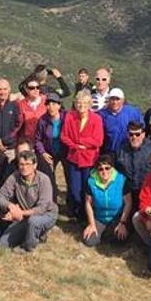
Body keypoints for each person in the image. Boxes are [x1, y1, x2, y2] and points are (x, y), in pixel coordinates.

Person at [0, 150, 59, 252]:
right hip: (26, 216)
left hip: (47, 214)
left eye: (28, 164)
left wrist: (21, 213)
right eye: (21, 164)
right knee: (3, 244)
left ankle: (28, 247)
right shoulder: (14, 177)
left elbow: (42, 207)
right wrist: (11, 207)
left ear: (35, 165)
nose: (24, 167)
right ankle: (36, 234)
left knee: (33, 222)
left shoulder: (43, 179)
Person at [60, 91, 104, 219]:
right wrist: (76, 146)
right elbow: (64, 136)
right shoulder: (70, 116)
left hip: (90, 160)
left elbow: (98, 140)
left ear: (90, 104)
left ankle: (86, 216)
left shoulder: (96, 119)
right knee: (74, 189)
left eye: (85, 102)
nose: (82, 105)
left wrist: (80, 141)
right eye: (79, 102)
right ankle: (79, 212)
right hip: (74, 158)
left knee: (88, 189)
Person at [82, 154, 133, 247]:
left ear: (112, 168)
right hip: (99, 218)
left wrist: (123, 223)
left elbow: (128, 203)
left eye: (107, 168)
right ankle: (103, 232)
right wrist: (91, 224)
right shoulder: (90, 182)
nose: (104, 171)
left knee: (120, 239)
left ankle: (109, 233)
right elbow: (88, 203)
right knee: (89, 241)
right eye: (100, 169)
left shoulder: (122, 180)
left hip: (117, 218)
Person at [113, 121, 151, 212]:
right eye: (131, 134)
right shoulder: (121, 151)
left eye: (137, 134)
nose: (134, 137)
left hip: (146, 193)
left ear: (143, 135)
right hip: (127, 193)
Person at [34, 92, 67, 201]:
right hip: (50, 152)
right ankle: (51, 202)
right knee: (48, 178)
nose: (51, 107)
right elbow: (38, 139)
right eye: (48, 104)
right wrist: (43, 152)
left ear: (59, 105)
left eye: (54, 104)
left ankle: (72, 207)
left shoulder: (67, 117)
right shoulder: (43, 120)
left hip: (65, 152)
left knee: (70, 178)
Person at [98, 87, 144, 154]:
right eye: (112, 99)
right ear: (108, 100)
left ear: (123, 100)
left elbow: (142, 130)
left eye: (117, 99)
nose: (114, 102)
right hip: (111, 152)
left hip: (129, 152)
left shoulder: (133, 112)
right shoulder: (102, 115)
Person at [18, 77, 47, 143]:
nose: (35, 90)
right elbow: (18, 125)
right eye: (32, 88)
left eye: (37, 87)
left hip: (44, 141)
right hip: (28, 141)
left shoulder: (46, 101)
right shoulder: (21, 104)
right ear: (26, 89)